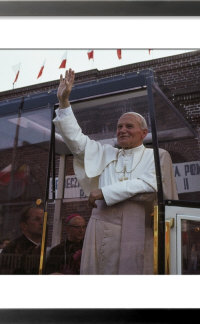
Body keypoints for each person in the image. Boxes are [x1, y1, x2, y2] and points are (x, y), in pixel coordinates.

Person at [53, 68, 178, 274]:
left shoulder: (158, 155)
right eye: (119, 127)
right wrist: (64, 102)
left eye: (129, 126)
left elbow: (151, 186)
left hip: (139, 226)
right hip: (102, 225)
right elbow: (75, 139)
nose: (122, 130)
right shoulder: (106, 153)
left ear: (144, 133)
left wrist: (104, 192)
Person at [0, 204, 44, 274]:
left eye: (44, 219)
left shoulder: (49, 246)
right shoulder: (12, 249)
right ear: (24, 225)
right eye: (37, 219)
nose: (42, 223)